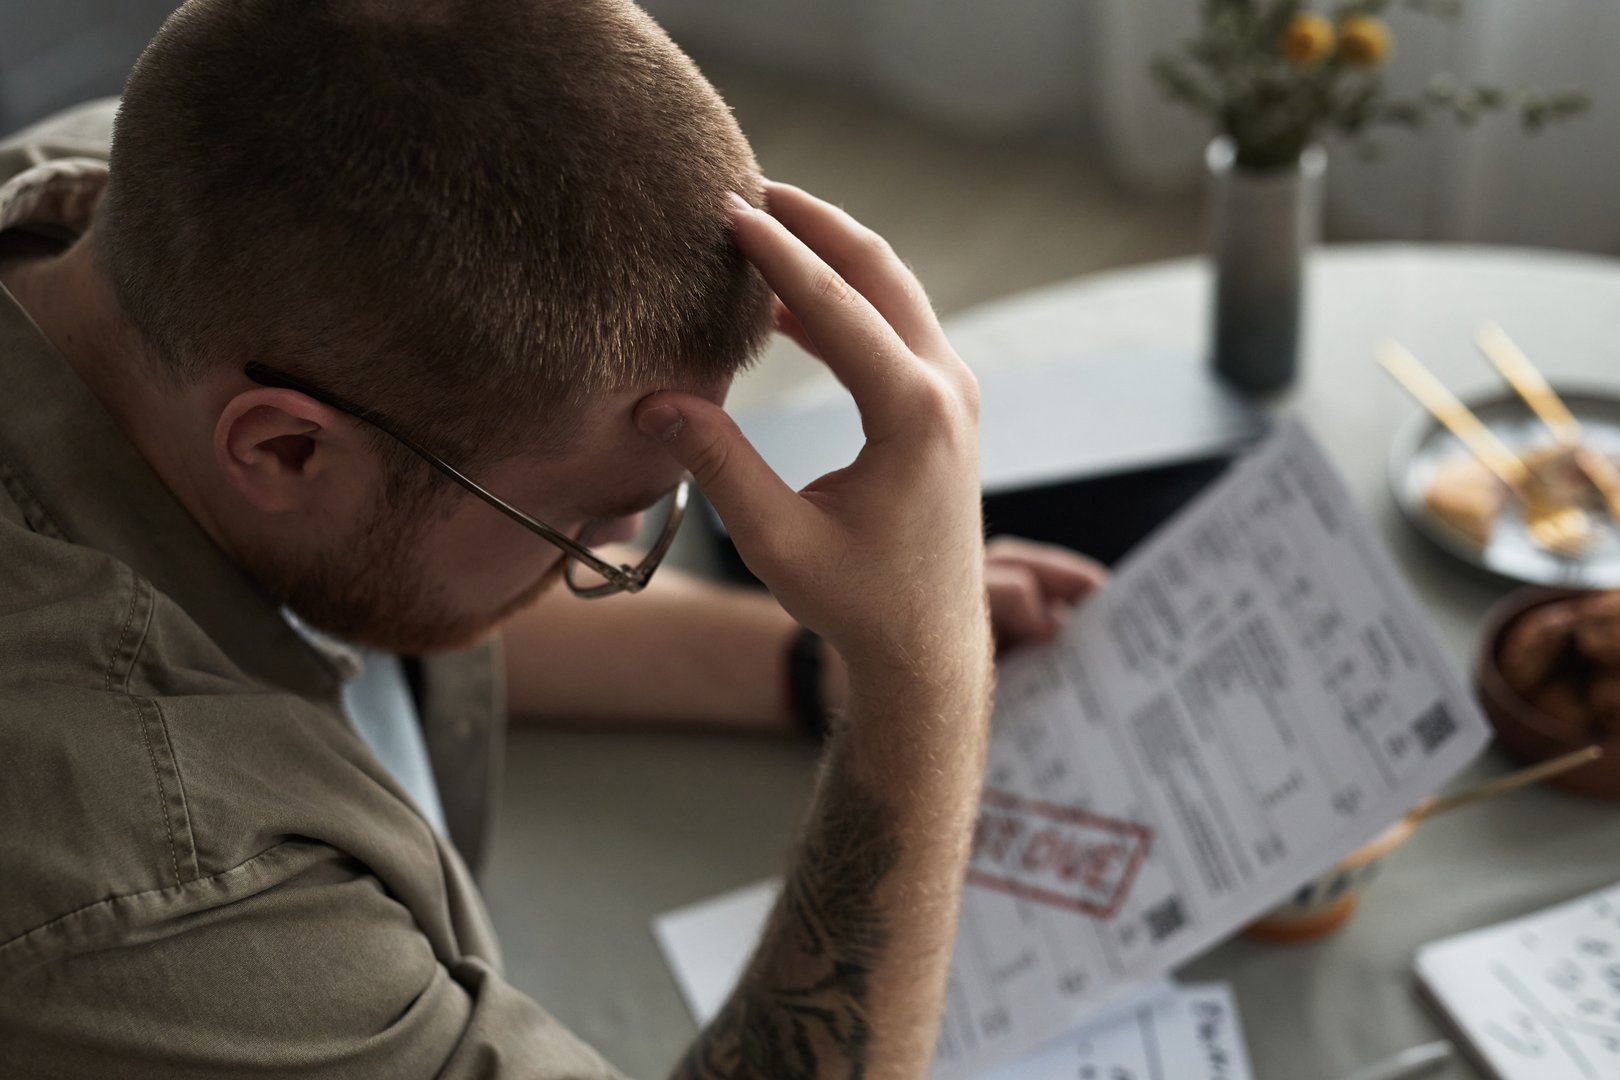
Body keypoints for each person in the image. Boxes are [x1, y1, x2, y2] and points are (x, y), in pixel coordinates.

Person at [0, 1, 1102, 1076]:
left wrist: (806, 655)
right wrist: (921, 681)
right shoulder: (156, 892)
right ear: (286, 451)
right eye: (574, 518)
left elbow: (395, 575)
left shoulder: (152, 203)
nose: (613, 550)